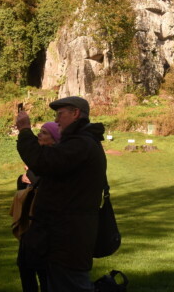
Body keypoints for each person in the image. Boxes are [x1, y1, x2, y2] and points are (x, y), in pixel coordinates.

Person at [15, 96, 106, 292]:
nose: (56, 120)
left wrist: (24, 131)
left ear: (76, 114)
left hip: (68, 239)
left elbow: (43, 162)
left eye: (60, 114)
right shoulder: (81, 142)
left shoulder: (81, 144)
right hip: (64, 237)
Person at [15, 122, 61, 292]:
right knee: (24, 266)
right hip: (29, 222)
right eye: (39, 131)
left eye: (44, 133)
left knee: (43, 270)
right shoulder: (38, 158)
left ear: (54, 139)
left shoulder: (53, 159)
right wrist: (22, 179)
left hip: (44, 225)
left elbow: (46, 186)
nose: (39, 135)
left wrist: (31, 174)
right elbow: (23, 191)